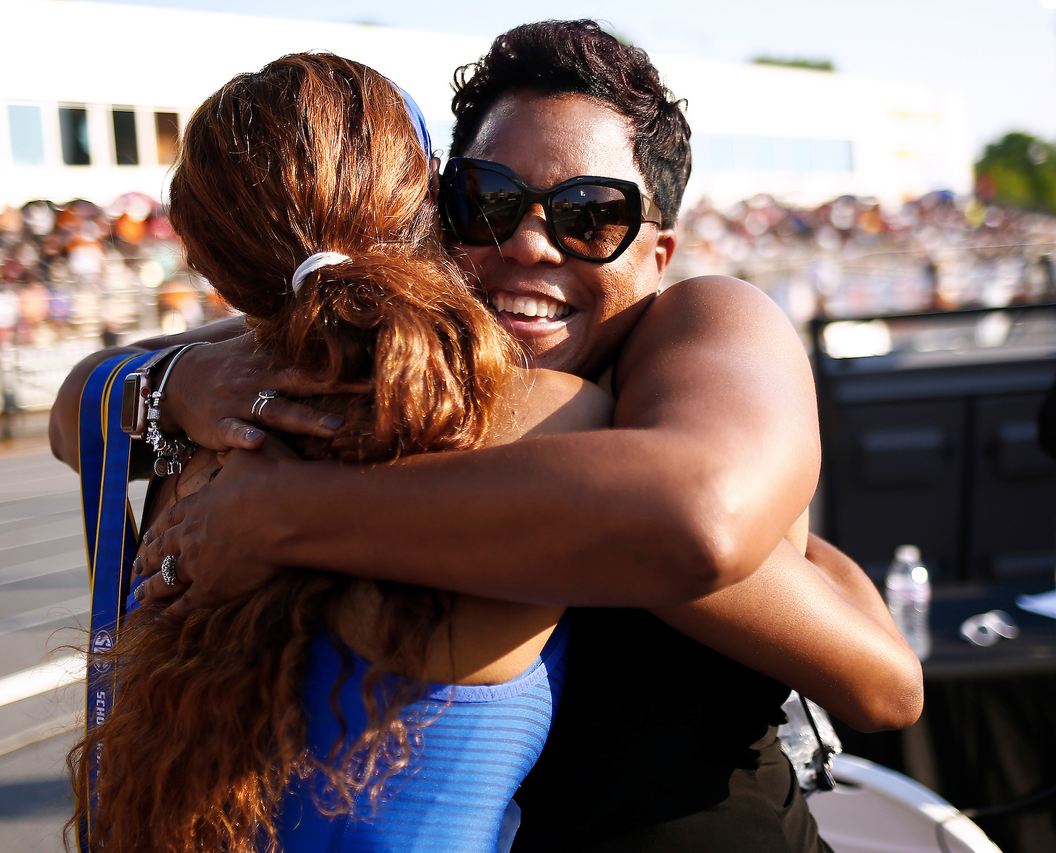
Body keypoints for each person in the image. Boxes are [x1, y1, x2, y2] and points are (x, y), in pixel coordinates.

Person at [50, 22, 921, 853]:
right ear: (435, 217)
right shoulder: (407, 376)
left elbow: (728, 543)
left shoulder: (697, 328)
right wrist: (174, 384)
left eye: (591, 215)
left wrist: (280, 513)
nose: (531, 243)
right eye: (489, 202)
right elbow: (80, 400)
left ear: (659, 252)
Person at [69, 53, 613, 853]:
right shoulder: (550, 415)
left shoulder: (183, 433)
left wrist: (175, 377)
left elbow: (83, 397)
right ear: (431, 204)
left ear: (203, 257)